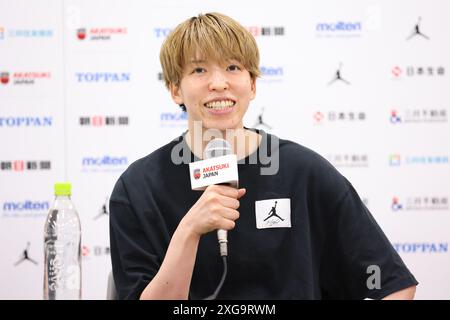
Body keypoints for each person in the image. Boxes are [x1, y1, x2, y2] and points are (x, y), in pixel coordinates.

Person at [109, 12, 418, 300]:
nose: (219, 83)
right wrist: (189, 231)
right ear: (175, 89)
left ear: (252, 84)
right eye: (199, 69)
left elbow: (392, 283)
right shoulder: (138, 189)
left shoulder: (304, 173)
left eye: (232, 67)